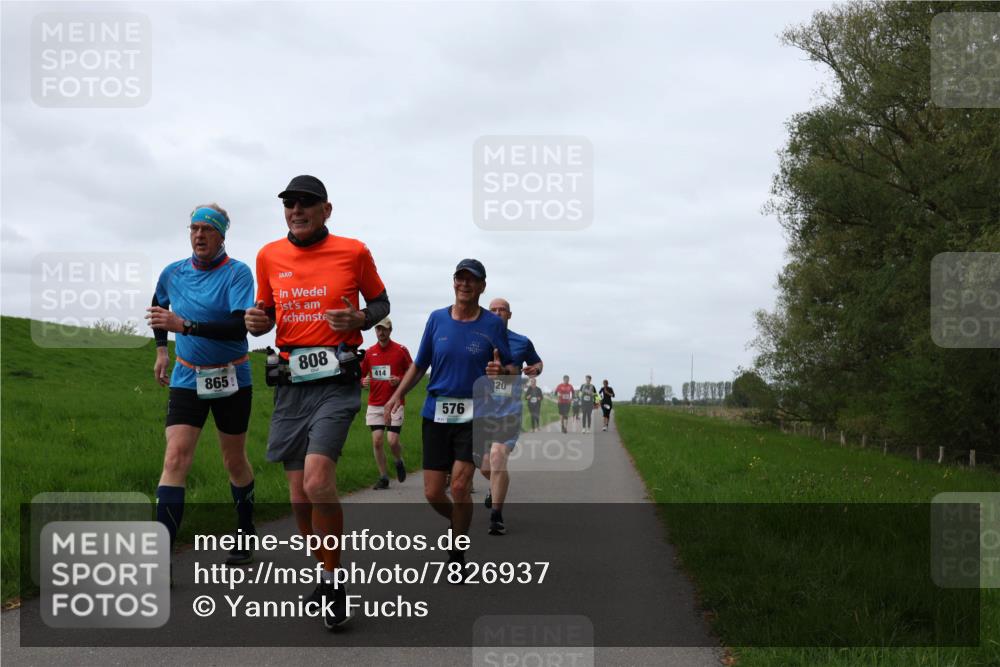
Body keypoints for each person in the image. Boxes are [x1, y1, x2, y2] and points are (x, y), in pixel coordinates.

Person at [245, 175, 389, 630]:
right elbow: (264, 319)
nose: (296, 210)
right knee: (297, 496)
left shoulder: (354, 251)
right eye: (290, 203)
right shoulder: (268, 255)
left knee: (317, 480)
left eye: (307, 203)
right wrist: (255, 321)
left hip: (336, 383)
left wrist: (361, 317)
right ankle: (323, 572)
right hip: (290, 384)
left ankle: (334, 578)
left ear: (327, 210)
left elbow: (382, 303)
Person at [382, 259, 512, 574]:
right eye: (460, 278)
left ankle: (457, 554)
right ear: (454, 283)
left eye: (472, 280)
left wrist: (499, 372)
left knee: (460, 487)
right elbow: (420, 363)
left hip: (474, 413)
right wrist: (398, 394)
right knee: (432, 492)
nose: (465, 284)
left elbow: (508, 372)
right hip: (436, 412)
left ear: (481, 286)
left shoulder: (492, 325)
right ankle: (458, 521)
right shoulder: (437, 319)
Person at [147, 203, 256, 567]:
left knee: (233, 460)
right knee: (175, 457)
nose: (199, 235)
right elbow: (158, 308)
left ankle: (244, 530)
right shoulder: (172, 272)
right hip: (186, 375)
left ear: (221, 235)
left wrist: (187, 327)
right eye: (194, 229)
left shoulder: (238, 274)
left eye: (207, 229)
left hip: (231, 376)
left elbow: (238, 327)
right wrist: (162, 350)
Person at [479, 297, 542, 535]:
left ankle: (496, 516)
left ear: (509, 315)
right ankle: (494, 489)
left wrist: (536, 368)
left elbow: (538, 362)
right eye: (493, 310)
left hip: (508, 411)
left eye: (502, 310)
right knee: (485, 466)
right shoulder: (478, 339)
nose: (497, 313)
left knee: (497, 457)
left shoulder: (521, 342)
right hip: (482, 411)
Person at [361, 317, 411, 489]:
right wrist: (362, 382)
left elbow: (412, 371)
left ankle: (398, 461)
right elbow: (361, 374)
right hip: (375, 403)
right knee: (377, 441)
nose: (381, 332)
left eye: (384, 329)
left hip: (395, 401)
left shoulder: (400, 350)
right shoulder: (369, 352)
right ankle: (383, 477)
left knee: (392, 441)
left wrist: (399, 379)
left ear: (390, 330)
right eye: (378, 329)